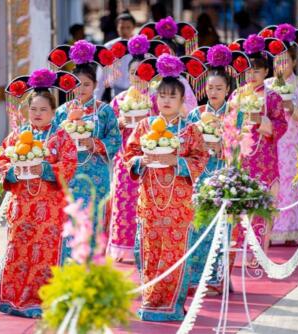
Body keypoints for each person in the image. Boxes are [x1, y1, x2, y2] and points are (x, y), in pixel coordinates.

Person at [124, 54, 208, 321]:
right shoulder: (143, 126)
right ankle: (150, 301)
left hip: (179, 201)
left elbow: (201, 158)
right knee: (151, 250)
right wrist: (141, 160)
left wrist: (177, 161)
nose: (167, 100)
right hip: (150, 199)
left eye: (173, 96)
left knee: (175, 252)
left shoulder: (190, 130)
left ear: (182, 101)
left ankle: (172, 304)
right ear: (155, 99)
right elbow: (129, 156)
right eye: (162, 96)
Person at [0, 70, 78, 317]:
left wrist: (45, 169)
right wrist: (12, 172)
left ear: (53, 112)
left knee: (45, 252)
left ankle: (41, 300)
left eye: (43, 110)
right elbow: (3, 160)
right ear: (26, 111)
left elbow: (69, 165)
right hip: (21, 206)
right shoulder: (17, 135)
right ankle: (14, 298)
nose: (37, 114)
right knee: (18, 250)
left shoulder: (61, 136)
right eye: (33, 109)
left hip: (49, 208)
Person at [53, 41, 122, 239]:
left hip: (96, 175)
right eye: (77, 84)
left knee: (94, 222)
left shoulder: (104, 110)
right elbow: (52, 143)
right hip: (69, 174)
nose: (81, 89)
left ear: (95, 85)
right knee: (69, 223)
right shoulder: (61, 112)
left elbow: (116, 140)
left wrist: (95, 144)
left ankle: (93, 265)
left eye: (86, 84)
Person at [226, 35, 287, 255]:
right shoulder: (236, 95)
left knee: (261, 204)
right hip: (240, 157)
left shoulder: (273, 98)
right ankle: (237, 249)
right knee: (238, 200)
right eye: (249, 71)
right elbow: (227, 122)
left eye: (257, 71)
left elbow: (282, 125)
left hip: (265, 159)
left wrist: (262, 121)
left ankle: (259, 251)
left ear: (266, 73)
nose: (252, 75)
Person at [264, 24, 298, 244]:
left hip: (293, 144)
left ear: (295, 62)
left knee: (292, 186)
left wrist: (290, 107)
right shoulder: (266, 84)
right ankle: (269, 230)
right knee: (272, 185)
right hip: (270, 143)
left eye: (286, 60)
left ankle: (291, 231)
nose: (281, 64)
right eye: (277, 60)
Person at [186, 45, 234, 294]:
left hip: (224, 176)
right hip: (200, 177)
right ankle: (194, 278)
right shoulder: (195, 113)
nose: (213, 92)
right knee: (197, 226)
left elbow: (243, 148)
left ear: (227, 90)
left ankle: (216, 279)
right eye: (210, 88)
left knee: (220, 227)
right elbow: (186, 146)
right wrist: (202, 145)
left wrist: (223, 144)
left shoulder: (235, 115)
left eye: (219, 88)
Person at [107, 35, 155, 262]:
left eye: (142, 72)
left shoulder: (156, 99)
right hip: (123, 157)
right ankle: (121, 247)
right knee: (123, 199)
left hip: (149, 158)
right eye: (133, 72)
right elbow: (107, 129)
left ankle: (146, 245)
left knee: (145, 201)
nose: (137, 77)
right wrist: (119, 124)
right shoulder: (118, 100)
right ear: (128, 75)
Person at [94, 13, 137, 101]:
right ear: (117, 28)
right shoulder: (109, 46)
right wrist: (96, 98)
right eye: (122, 27)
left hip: (136, 90)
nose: (125, 31)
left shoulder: (139, 46)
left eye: (128, 27)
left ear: (133, 28)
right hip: (116, 91)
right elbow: (101, 73)